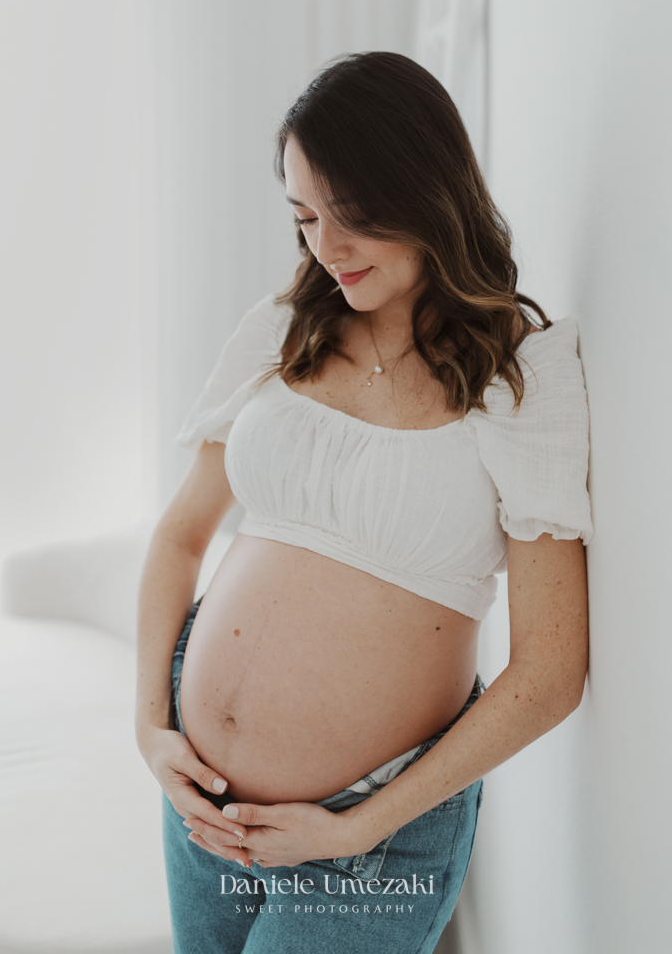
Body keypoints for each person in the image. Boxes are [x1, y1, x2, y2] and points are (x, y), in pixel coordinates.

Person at [135, 51, 593, 954]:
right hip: (204, 804)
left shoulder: (520, 373)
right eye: (305, 218)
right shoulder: (282, 330)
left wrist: (357, 827)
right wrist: (151, 731)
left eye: (352, 220)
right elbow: (182, 536)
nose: (325, 250)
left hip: (369, 835)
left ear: (428, 194)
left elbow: (551, 670)